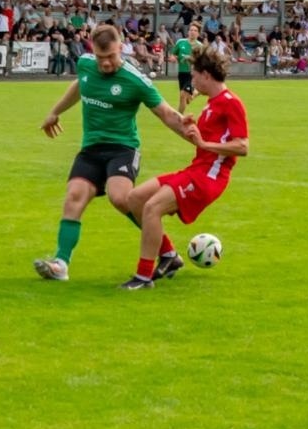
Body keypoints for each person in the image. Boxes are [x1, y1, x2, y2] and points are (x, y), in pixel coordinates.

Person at [33, 22, 191, 282]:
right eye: (100, 57)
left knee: (121, 198)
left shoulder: (135, 80)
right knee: (74, 196)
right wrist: (55, 111)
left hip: (123, 149)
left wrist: (201, 142)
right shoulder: (85, 64)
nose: (105, 63)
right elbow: (79, 84)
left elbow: (166, 113)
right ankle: (60, 264)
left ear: (121, 47)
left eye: (110, 57)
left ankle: (167, 251)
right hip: (91, 148)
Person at [121, 44, 249, 290]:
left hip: (209, 177)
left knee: (151, 208)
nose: (191, 79)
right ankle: (169, 255)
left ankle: (143, 277)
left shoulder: (231, 102)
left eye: (194, 74)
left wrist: (204, 143)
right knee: (135, 199)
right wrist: (193, 128)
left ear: (206, 75)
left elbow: (242, 146)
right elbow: (206, 140)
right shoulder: (211, 103)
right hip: (196, 169)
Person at [173, 21, 202, 113]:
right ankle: (196, 93)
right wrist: (173, 58)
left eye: (195, 30)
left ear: (198, 33)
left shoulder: (200, 46)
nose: (192, 32)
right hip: (182, 73)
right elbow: (173, 54)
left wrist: (190, 58)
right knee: (185, 98)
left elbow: (201, 62)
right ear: (188, 31)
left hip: (192, 74)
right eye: (191, 30)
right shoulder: (180, 42)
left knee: (182, 95)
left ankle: (179, 118)